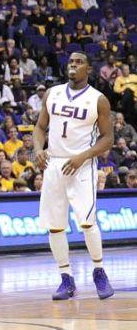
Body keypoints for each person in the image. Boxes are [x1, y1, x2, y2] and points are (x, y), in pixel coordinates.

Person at [33, 52, 115, 301]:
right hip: (54, 164)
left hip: (81, 165)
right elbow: (39, 127)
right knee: (55, 225)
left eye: (79, 62)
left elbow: (108, 138)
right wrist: (38, 149)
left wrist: (83, 156)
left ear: (88, 68)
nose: (73, 65)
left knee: (87, 221)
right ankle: (66, 278)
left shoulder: (98, 100)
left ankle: (99, 271)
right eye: (71, 61)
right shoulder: (52, 93)